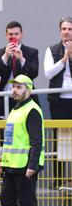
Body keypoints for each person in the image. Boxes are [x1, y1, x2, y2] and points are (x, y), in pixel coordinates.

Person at [0, 75, 43, 206]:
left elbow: (36, 141)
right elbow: (10, 140)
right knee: (6, 200)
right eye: (14, 87)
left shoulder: (32, 110)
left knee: (27, 203)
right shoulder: (15, 110)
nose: (14, 90)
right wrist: (3, 161)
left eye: (19, 87)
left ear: (28, 90)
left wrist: (32, 165)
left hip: (25, 167)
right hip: (12, 166)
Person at [0, 21, 39, 119]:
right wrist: (6, 56)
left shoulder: (31, 52)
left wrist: (22, 59)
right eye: (11, 34)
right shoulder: (0, 52)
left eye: (16, 34)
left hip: (24, 95)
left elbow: (34, 73)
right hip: (5, 95)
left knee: (30, 116)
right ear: (6, 36)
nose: (14, 37)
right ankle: (0, 134)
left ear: (22, 34)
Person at [44, 17, 72, 189]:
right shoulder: (52, 50)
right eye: (64, 28)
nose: (67, 32)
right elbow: (48, 73)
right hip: (58, 100)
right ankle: (58, 180)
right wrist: (64, 59)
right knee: (59, 139)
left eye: (70, 28)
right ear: (59, 31)